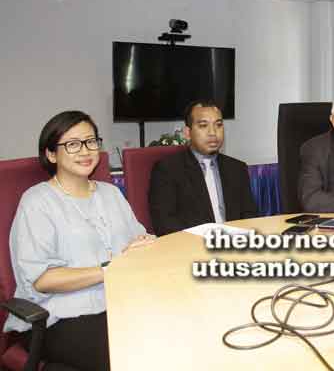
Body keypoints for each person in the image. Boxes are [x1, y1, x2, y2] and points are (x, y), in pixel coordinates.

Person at [4, 111, 153, 371]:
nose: (85, 151)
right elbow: (43, 280)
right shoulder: (37, 202)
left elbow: (137, 239)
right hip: (59, 316)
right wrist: (109, 269)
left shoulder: (111, 194)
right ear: (51, 154)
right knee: (132, 356)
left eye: (91, 141)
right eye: (72, 144)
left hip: (118, 303)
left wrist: (145, 244)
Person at [149, 100, 257, 236]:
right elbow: (164, 224)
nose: (213, 132)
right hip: (191, 248)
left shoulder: (237, 168)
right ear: (188, 133)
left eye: (218, 125)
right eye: (203, 125)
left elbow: (250, 217)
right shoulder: (168, 170)